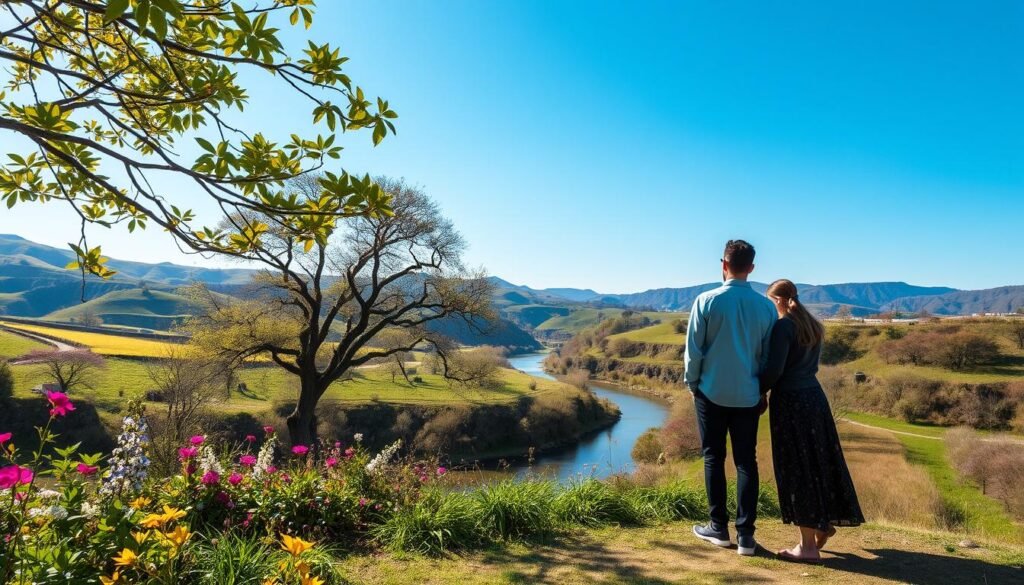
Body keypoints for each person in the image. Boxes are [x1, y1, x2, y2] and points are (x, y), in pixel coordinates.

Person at [760, 279, 864, 563]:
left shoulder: (784, 326)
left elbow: (774, 370)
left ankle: (807, 547)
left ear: (777, 300)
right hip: (814, 399)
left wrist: (758, 391)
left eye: (770, 302)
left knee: (797, 468)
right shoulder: (814, 326)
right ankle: (822, 523)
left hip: (790, 402)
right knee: (819, 462)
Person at [685, 240, 777, 556]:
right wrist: (762, 391)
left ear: (722, 264)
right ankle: (746, 537)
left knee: (714, 456)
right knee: (745, 461)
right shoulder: (766, 307)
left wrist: (692, 384)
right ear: (751, 268)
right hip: (748, 394)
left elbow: (694, 351)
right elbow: (767, 358)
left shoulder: (706, 301)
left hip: (710, 392)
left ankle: (718, 528)